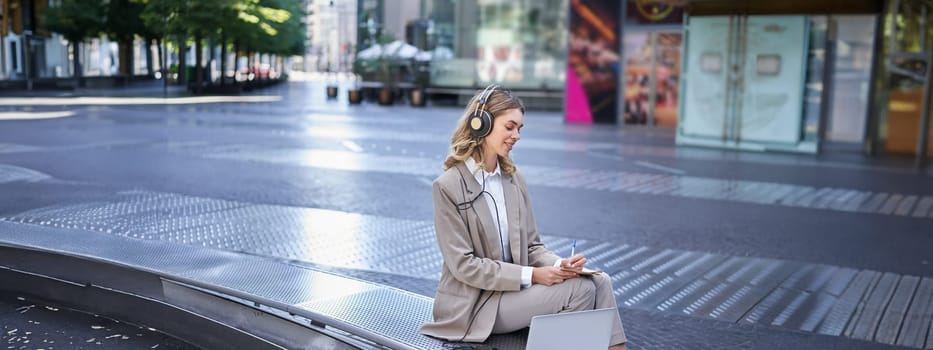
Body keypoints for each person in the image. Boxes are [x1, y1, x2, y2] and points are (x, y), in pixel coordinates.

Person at [420, 85, 627, 349]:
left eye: (519, 128)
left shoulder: (514, 180)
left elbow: (532, 246)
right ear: (481, 123)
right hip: (474, 305)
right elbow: (464, 266)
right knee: (580, 290)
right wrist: (533, 275)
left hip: (513, 294)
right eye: (510, 127)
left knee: (598, 280)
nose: (516, 135)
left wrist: (560, 264)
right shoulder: (448, 186)